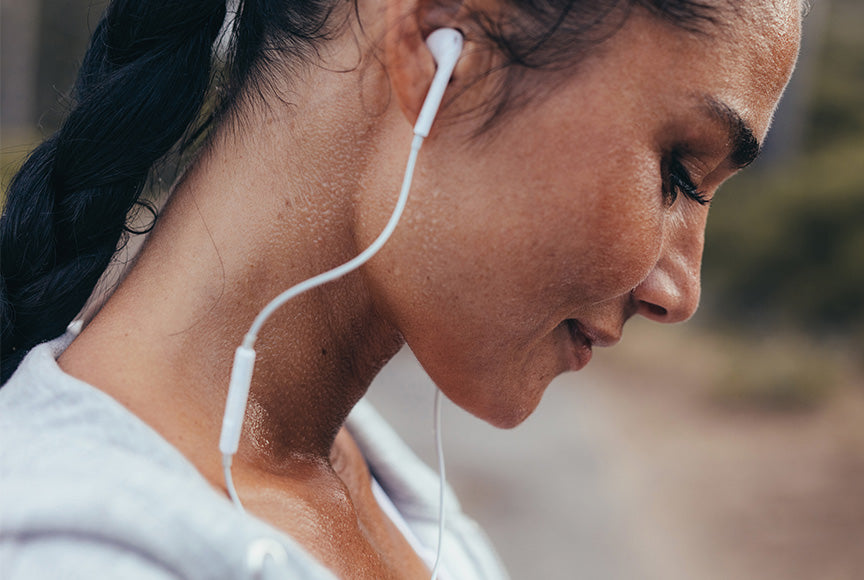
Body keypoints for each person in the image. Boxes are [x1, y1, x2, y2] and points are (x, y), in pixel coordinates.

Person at [0, 0, 801, 577]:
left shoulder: (378, 485)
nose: (679, 290)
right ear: (439, 46)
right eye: (677, 173)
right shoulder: (73, 552)